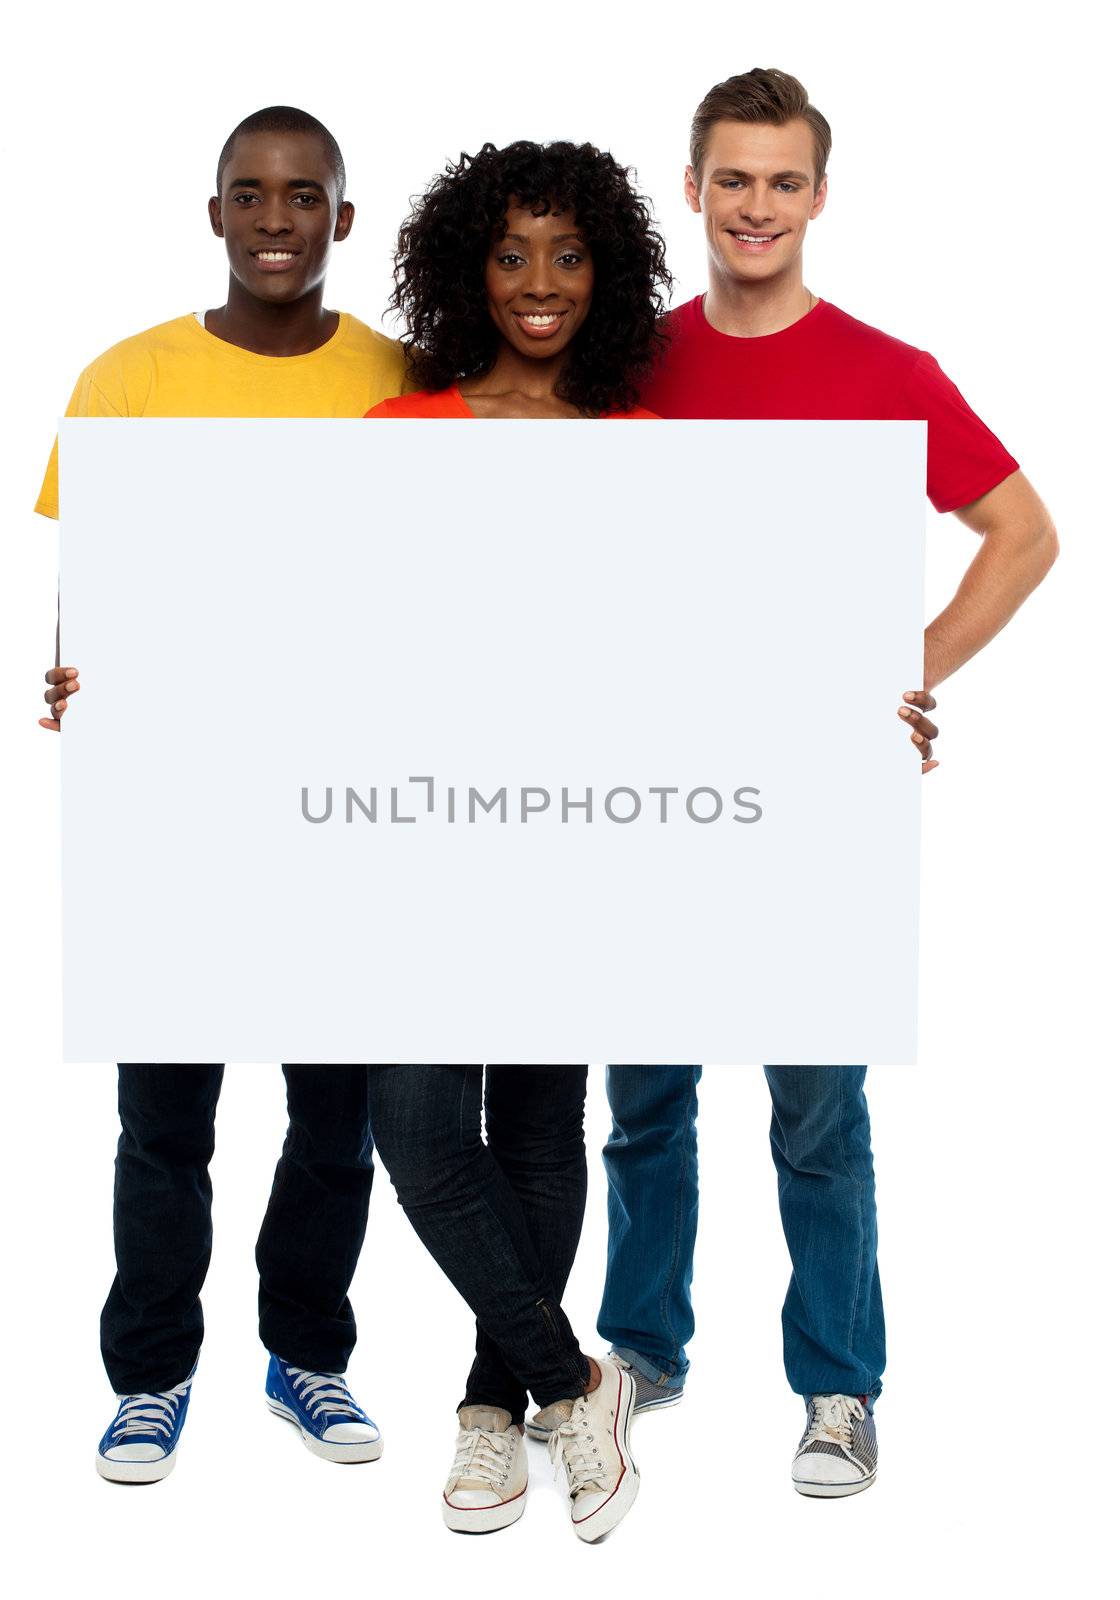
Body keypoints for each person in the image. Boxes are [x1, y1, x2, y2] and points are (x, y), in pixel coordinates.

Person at [591, 68, 1058, 1500]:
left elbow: (1025, 535)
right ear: (691, 189)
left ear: (820, 197)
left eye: (782, 181)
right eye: (732, 178)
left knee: (816, 1112)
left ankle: (840, 1388)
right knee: (648, 1097)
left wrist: (901, 674)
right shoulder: (633, 366)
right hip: (651, 794)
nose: (756, 206)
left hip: (813, 808)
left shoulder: (886, 375)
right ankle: (644, 1352)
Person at [36, 106, 408, 1482]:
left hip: (346, 810)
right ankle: (149, 1378)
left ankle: (306, 1354)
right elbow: (95, 582)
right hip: (181, 814)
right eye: (247, 193)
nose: (272, 218)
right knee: (164, 1121)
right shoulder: (128, 378)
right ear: (213, 215)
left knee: (334, 1116)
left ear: (340, 224)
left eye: (302, 195)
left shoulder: (396, 377)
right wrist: (72, 676)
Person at [367, 138, 668, 1541]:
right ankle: (572, 1381)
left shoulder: (647, 451)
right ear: (462, 271)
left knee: (541, 1125)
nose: (538, 284)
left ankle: (495, 1413)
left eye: (567, 254)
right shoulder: (403, 437)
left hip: (579, 843)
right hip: (425, 834)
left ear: (605, 274)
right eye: (508, 254)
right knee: (419, 1125)